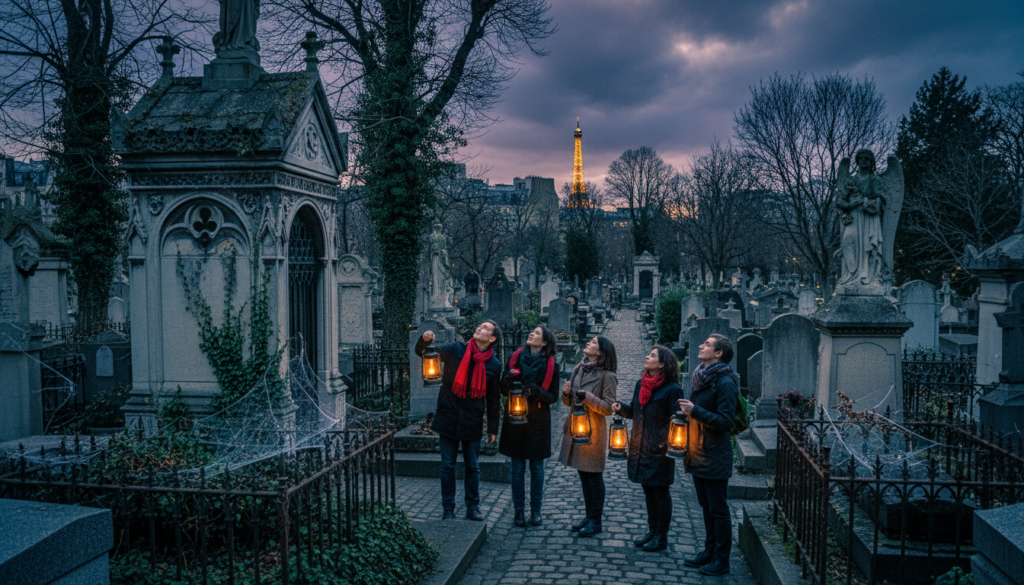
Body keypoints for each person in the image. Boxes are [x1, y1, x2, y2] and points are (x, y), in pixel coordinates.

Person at [415, 320, 502, 521]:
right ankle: (448, 509)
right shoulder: (456, 349)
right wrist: (424, 340)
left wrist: (493, 428)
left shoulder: (494, 365)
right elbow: (425, 353)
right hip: (449, 416)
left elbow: (494, 399)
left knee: (473, 466)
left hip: (472, 419)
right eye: (480, 325)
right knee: (447, 466)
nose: (480, 327)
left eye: (486, 328)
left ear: (492, 338)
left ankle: (473, 507)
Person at [612, 345, 684, 553]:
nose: (647, 357)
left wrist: (665, 442)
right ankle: (652, 531)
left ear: (662, 364)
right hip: (640, 446)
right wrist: (622, 408)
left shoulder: (672, 389)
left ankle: (662, 536)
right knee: (648, 491)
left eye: (652, 356)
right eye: (649, 354)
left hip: (660, 450)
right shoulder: (640, 384)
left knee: (661, 492)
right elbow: (636, 412)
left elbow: (677, 420)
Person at [678, 334, 739, 576]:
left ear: (718, 353)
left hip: (714, 454)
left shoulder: (724, 382)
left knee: (718, 509)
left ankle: (721, 560)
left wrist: (696, 411)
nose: (701, 346)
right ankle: (709, 551)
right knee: (705, 506)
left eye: (708, 344)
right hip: (698, 451)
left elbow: (726, 422)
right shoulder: (701, 378)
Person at [498, 326, 559, 527]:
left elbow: (553, 396)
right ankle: (519, 511)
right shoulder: (515, 359)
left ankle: (536, 511)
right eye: (532, 332)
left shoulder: (551, 365)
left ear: (544, 343)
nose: (531, 334)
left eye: (537, 333)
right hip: (515, 419)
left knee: (537, 468)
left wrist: (538, 392)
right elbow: (503, 389)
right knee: (517, 467)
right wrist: (509, 378)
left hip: (538, 421)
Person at [557, 335, 617, 537]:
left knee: (594, 476)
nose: (588, 343)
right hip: (576, 428)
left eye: (593, 342)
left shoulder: (607, 376)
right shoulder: (579, 368)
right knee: (583, 475)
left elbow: (609, 408)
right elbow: (570, 402)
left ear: (601, 352)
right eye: (588, 341)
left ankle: (596, 520)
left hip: (593, 433)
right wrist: (566, 394)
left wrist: (588, 397)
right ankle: (588, 516)